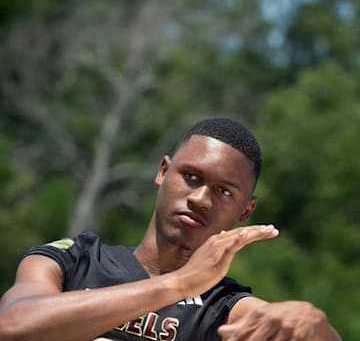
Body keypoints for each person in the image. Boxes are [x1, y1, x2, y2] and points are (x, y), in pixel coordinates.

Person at [0, 118, 341, 341]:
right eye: (191, 177)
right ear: (163, 171)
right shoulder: (75, 259)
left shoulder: (224, 309)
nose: (201, 199)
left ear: (246, 211)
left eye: (224, 191)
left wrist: (317, 326)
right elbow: (13, 325)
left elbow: (282, 324)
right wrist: (179, 284)